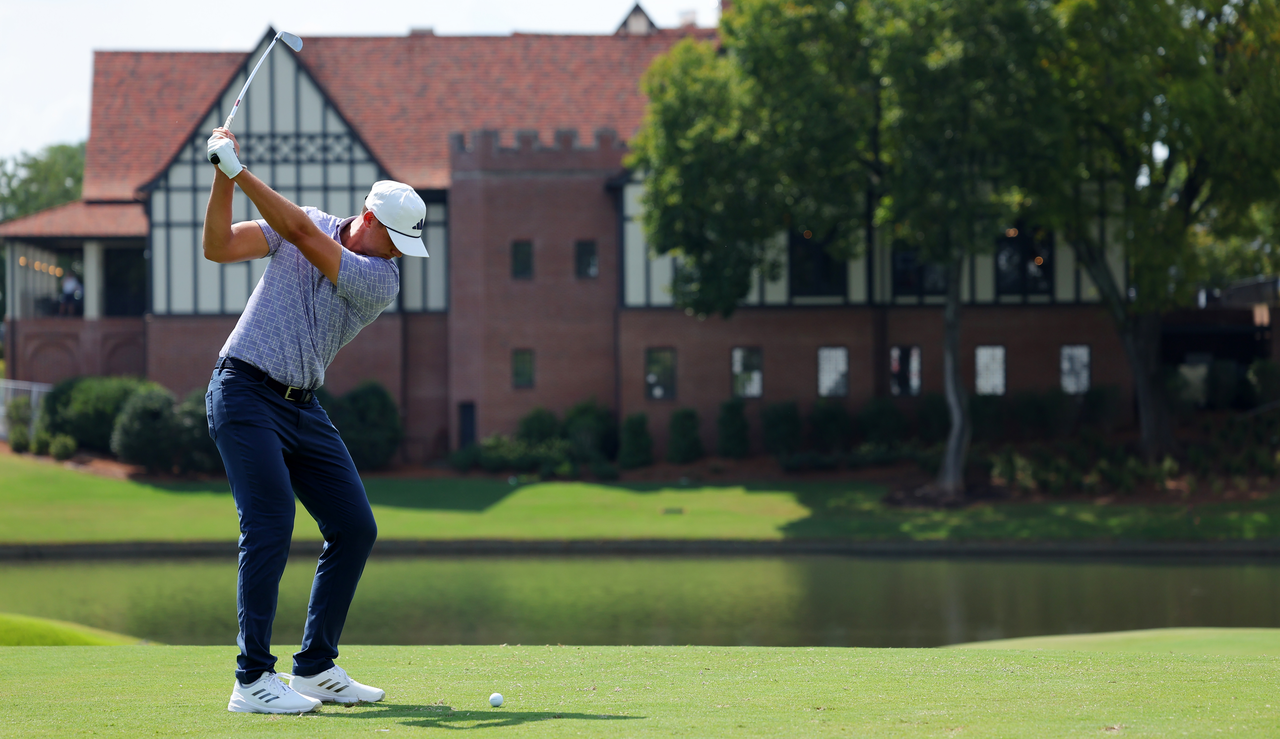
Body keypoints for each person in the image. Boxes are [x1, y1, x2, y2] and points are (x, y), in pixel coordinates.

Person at [202, 128, 428, 714]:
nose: (400, 252)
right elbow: (220, 246)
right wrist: (221, 178)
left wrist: (240, 168)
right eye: (396, 239)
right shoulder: (307, 221)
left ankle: (315, 667)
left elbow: (300, 234)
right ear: (368, 217)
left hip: (302, 408)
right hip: (243, 390)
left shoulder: (381, 279)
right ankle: (251, 679)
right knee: (272, 524)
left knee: (355, 528)